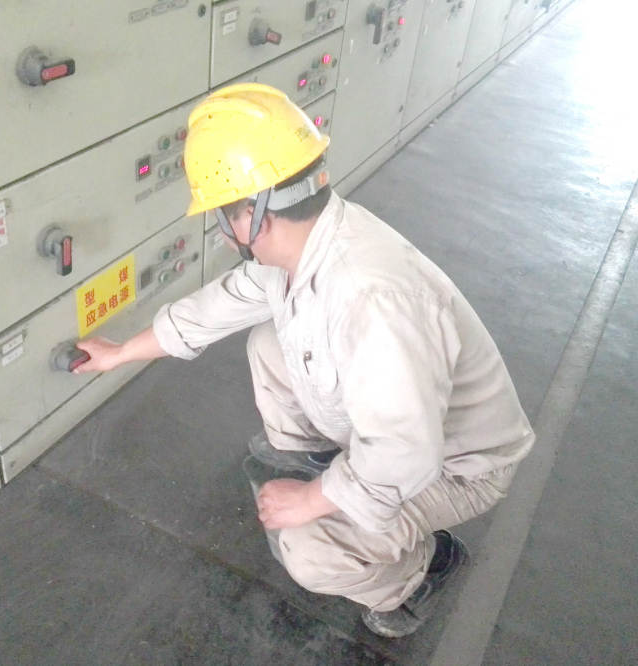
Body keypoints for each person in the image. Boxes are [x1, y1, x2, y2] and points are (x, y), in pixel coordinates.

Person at [72, 83, 535, 638]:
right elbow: (216, 307)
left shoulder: (372, 300)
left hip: (455, 467)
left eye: (222, 215)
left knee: (310, 550)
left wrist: (313, 501)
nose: (222, 232)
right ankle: (322, 464)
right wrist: (121, 352)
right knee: (270, 341)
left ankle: (422, 571)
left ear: (253, 216)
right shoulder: (309, 241)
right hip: (409, 432)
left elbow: (405, 453)